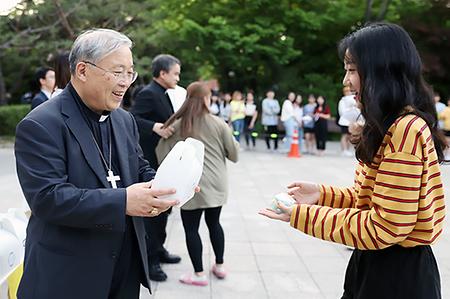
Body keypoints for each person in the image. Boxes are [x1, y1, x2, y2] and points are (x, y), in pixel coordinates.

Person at [260, 22, 447, 299]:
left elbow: (386, 227)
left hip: (397, 275)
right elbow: (371, 200)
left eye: (351, 69)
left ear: (381, 70)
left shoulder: (405, 129)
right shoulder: (389, 124)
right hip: (376, 263)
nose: (345, 81)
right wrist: (322, 195)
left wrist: (302, 215)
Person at [15, 29, 179, 299]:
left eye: (130, 73)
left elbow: (138, 167)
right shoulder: (41, 124)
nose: (126, 82)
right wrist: (123, 201)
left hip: (124, 269)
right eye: (118, 72)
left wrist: (169, 184)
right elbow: (47, 198)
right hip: (68, 273)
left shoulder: (124, 120)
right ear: (82, 70)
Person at [156, 81, 239, 286]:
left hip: (190, 186)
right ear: (206, 99)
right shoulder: (219, 123)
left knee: (191, 229)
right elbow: (234, 154)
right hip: (216, 185)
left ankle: (199, 275)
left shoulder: (178, 124)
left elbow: (161, 154)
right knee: (215, 224)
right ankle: (219, 266)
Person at [130, 54, 182, 282]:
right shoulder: (148, 93)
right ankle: (149, 261)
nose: (178, 78)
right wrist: (154, 127)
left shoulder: (164, 93)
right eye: (175, 73)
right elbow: (131, 118)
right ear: (162, 74)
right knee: (152, 213)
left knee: (164, 211)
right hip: (149, 160)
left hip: (163, 159)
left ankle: (158, 250)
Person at [338, 86, 359, 156]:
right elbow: (341, 112)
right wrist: (350, 109)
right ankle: (344, 150)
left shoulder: (353, 99)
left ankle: (347, 150)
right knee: (344, 136)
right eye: (347, 91)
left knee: (350, 136)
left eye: (349, 91)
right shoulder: (342, 101)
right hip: (344, 121)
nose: (348, 92)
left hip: (352, 121)